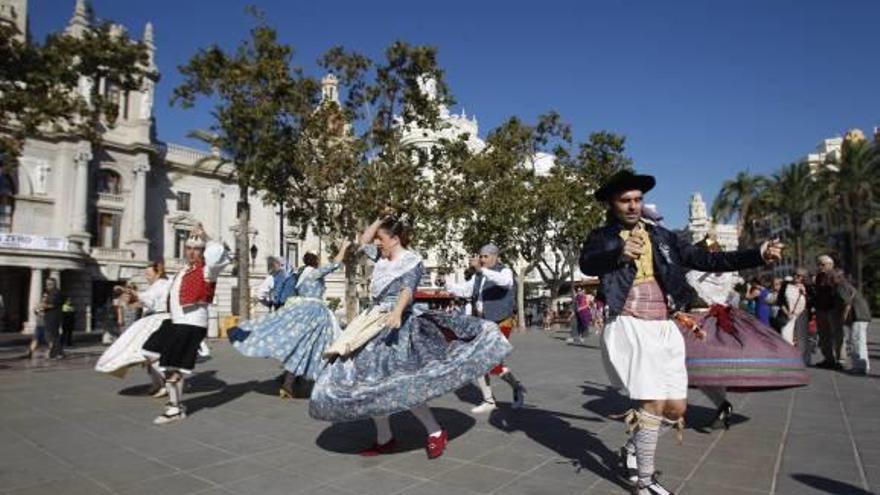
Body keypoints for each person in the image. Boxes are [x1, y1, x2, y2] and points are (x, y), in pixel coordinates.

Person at [579, 170, 783, 495]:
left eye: (637, 199)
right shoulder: (602, 236)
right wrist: (618, 254)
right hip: (630, 325)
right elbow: (589, 263)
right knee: (652, 404)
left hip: (665, 325)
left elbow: (705, 259)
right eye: (625, 200)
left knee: (676, 409)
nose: (633, 206)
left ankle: (634, 448)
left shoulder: (662, 236)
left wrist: (756, 254)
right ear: (611, 204)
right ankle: (644, 482)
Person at [309, 213, 512, 459]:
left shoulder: (411, 261)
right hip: (372, 322)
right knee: (368, 382)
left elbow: (407, 289)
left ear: (394, 239)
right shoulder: (381, 256)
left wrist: (396, 312)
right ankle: (384, 437)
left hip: (398, 325)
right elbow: (363, 242)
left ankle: (435, 432)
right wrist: (377, 220)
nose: (377, 243)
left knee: (403, 381)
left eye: (382, 239)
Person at [683, 236, 808, 431]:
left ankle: (711, 404)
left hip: (701, 321)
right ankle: (717, 404)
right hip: (718, 319)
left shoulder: (696, 273)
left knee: (696, 367)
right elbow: (732, 295)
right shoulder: (723, 273)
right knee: (705, 368)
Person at [229, 243, 349, 398]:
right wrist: (344, 247)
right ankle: (328, 383)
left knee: (302, 348)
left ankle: (289, 383)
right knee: (327, 346)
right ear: (316, 261)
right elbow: (334, 265)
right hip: (315, 314)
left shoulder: (300, 274)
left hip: (301, 311)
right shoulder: (314, 273)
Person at [141, 226, 229, 424]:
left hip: (191, 324)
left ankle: (175, 407)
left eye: (196, 249)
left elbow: (220, 253)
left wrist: (206, 236)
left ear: (203, 251)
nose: (191, 252)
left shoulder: (208, 270)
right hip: (174, 321)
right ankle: (174, 381)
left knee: (173, 366)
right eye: (188, 247)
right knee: (150, 351)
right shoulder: (182, 271)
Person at [448, 243, 527, 413]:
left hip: (501, 321)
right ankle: (490, 400)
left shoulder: (504, 271)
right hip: (483, 322)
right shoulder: (479, 275)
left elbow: (505, 282)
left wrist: (481, 270)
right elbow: (465, 290)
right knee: (479, 362)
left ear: (495, 256)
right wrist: (446, 286)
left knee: (492, 363)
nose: (481, 260)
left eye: (485, 257)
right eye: (481, 257)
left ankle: (516, 388)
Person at [95, 262, 172, 395]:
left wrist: (128, 291)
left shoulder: (161, 284)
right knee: (146, 355)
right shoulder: (157, 285)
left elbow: (148, 299)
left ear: (158, 273)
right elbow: (143, 302)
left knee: (150, 353)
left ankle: (166, 383)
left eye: (148, 274)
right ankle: (158, 383)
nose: (146, 277)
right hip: (153, 320)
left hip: (159, 320)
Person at [812, 255, 845, 369]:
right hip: (821, 309)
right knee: (823, 336)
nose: (820, 266)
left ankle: (840, 360)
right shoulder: (819, 277)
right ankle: (828, 359)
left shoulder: (836, 275)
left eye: (822, 264)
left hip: (833, 309)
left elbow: (840, 293)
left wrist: (839, 309)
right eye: (819, 264)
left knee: (837, 335)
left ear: (830, 265)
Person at [838, 276, 871, 375]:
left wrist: (843, 319)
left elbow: (847, 304)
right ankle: (864, 366)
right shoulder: (849, 286)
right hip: (863, 316)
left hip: (858, 317)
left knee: (856, 341)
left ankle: (859, 367)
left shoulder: (842, 286)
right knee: (860, 342)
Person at [780, 268, 811, 364]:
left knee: (802, 336)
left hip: (802, 313)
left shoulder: (806, 287)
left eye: (800, 276)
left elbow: (810, 301)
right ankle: (789, 356)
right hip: (789, 314)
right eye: (795, 274)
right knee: (785, 335)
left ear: (804, 278)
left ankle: (803, 358)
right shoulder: (786, 285)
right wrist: (787, 312)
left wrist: (804, 293)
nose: (797, 277)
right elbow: (780, 301)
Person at [43, 278, 64, 359]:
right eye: (47, 284)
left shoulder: (56, 293)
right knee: (51, 335)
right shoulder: (49, 293)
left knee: (52, 335)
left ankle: (57, 353)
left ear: (54, 284)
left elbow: (53, 304)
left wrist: (43, 306)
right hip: (49, 316)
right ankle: (58, 352)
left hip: (53, 316)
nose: (48, 286)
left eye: (50, 284)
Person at [27, 292, 48, 358]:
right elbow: (36, 312)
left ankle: (50, 353)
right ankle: (30, 353)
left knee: (49, 341)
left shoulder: (49, 305)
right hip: (39, 325)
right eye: (44, 296)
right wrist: (39, 311)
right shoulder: (39, 305)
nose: (45, 298)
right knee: (35, 340)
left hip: (47, 326)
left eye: (46, 296)